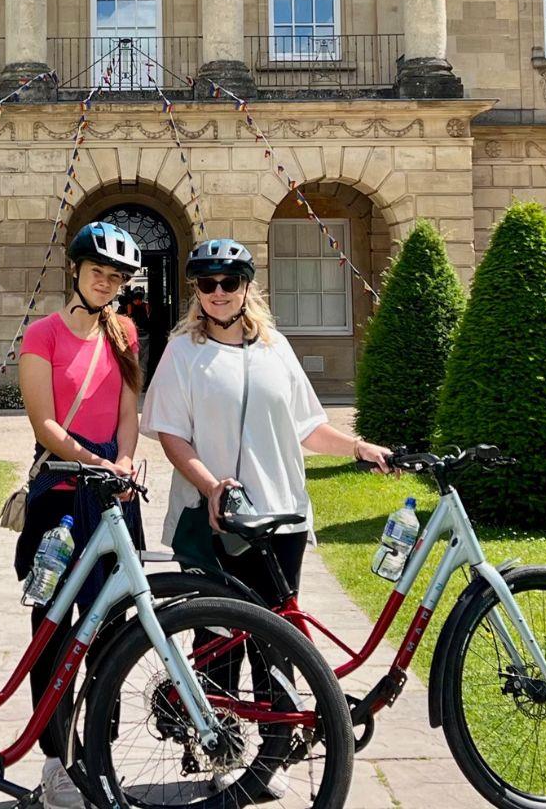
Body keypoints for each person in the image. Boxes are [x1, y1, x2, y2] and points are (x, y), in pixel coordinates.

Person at [144, 237, 393, 610]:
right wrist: (212, 487)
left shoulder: (274, 347)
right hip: (214, 519)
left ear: (246, 287)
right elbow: (172, 434)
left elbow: (307, 426)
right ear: (197, 291)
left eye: (229, 282)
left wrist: (359, 447)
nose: (218, 292)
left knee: (276, 647)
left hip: (280, 518)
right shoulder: (182, 352)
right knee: (215, 647)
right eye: (207, 284)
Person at [16, 220, 145, 809]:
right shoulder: (41, 333)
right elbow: (43, 421)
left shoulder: (124, 332)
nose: (106, 281)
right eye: (98, 271)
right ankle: (53, 761)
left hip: (110, 499)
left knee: (115, 627)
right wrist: (93, 461)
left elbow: (128, 410)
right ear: (76, 270)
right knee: (53, 629)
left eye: (116, 276)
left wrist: (122, 459)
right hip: (61, 496)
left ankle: (99, 750)